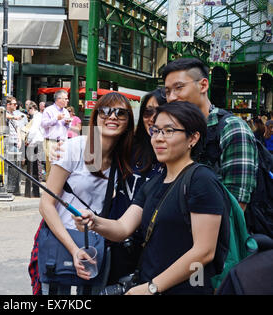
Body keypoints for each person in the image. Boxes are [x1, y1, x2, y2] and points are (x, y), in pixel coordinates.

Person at [74, 102, 225, 295]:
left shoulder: (201, 180)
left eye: (168, 131)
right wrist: (93, 222)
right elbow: (122, 228)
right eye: (155, 131)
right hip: (149, 284)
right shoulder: (154, 183)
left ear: (193, 138)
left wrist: (152, 287)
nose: (158, 139)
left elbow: (204, 251)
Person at [37, 92, 135, 295]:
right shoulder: (74, 148)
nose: (112, 116)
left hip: (95, 247)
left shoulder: (124, 160)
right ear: (96, 116)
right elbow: (46, 204)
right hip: (62, 242)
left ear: (128, 121)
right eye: (105, 111)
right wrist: (74, 249)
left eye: (121, 113)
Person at [162, 58, 258, 211]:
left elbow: (236, 207)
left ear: (203, 85)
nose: (172, 97)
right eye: (167, 91)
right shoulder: (175, 130)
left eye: (178, 87)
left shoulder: (232, 128)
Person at [105, 88, 167, 285]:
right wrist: (69, 150)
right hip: (120, 242)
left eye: (160, 111)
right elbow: (98, 146)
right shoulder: (128, 145)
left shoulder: (171, 153)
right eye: (148, 112)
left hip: (154, 245)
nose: (153, 118)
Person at [41, 89, 71, 178]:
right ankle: (50, 190)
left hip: (63, 141)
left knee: (63, 166)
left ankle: (59, 189)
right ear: (59, 99)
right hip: (51, 141)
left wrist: (67, 122)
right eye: (65, 99)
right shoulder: (48, 110)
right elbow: (43, 124)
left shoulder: (65, 111)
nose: (67, 100)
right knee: (51, 166)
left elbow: (68, 127)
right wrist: (56, 119)